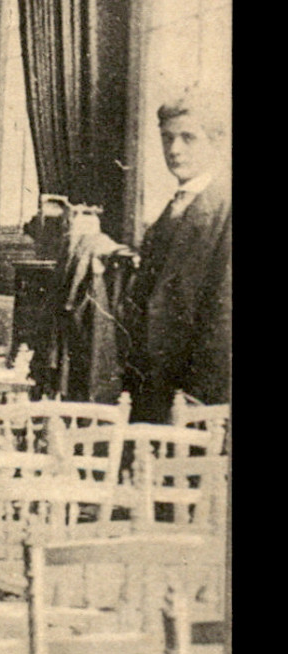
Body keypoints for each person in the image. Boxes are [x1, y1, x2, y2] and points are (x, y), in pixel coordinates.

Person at [125, 94, 232, 423]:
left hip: (198, 394)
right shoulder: (172, 210)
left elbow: (224, 316)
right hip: (156, 386)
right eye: (167, 138)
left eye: (188, 137)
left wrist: (197, 403)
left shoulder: (224, 210)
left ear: (216, 142)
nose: (174, 149)